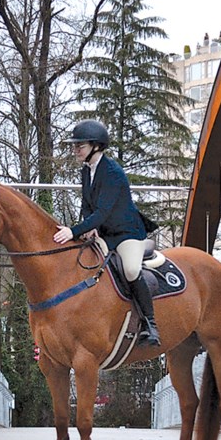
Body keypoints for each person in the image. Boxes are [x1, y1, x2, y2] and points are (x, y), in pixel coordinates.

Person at [53, 119, 161, 346]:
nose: (75, 151)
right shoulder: (87, 171)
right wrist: (87, 227)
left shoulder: (112, 172)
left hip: (127, 233)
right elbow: (87, 205)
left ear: (96, 146)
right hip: (104, 234)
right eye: (75, 146)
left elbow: (102, 212)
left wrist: (72, 231)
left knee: (131, 269)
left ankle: (150, 324)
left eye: (79, 146)